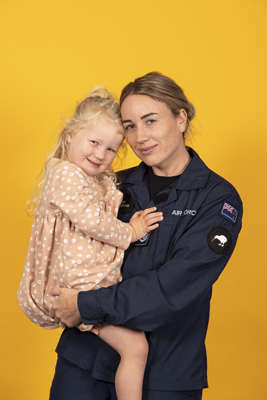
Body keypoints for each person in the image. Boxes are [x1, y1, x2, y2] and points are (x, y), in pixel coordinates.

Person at [48, 72, 243, 400]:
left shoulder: (217, 199)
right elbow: (62, 242)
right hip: (83, 363)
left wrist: (84, 303)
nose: (140, 137)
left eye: (150, 121)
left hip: (164, 372)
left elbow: (171, 288)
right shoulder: (109, 184)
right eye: (130, 126)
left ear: (181, 118)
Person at [17, 86, 164, 400]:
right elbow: (91, 221)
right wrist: (131, 232)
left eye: (111, 149)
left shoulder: (91, 179)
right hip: (81, 286)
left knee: (135, 348)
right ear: (70, 135)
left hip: (86, 286)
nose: (101, 154)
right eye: (94, 142)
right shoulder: (67, 175)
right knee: (136, 349)